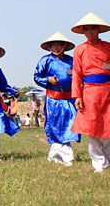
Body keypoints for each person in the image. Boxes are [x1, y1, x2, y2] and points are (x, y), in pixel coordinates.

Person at [69, 12, 110, 173]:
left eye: (93, 28)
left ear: (98, 29)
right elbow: (77, 74)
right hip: (89, 92)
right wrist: (77, 95)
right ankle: (99, 163)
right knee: (91, 128)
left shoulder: (108, 46)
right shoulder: (80, 50)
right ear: (83, 31)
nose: (90, 32)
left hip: (108, 90)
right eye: (86, 29)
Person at [34, 32, 80, 166]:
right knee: (54, 126)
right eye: (53, 46)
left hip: (69, 99)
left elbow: (78, 77)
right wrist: (48, 80)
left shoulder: (71, 61)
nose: (56, 48)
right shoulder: (45, 60)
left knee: (70, 125)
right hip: (53, 100)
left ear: (64, 46)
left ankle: (56, 155)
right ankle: (67, 156)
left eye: (59, 45)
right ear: (49, 47)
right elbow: (37, 77)